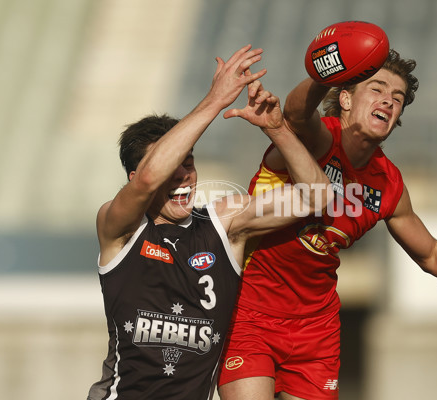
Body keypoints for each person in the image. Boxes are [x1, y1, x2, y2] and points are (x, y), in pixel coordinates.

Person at [218, 49, 437, 400]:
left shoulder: (389, 183)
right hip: (252, 312)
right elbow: (295, 112)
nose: (389, 101)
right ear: (345, 99)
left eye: (397, 98)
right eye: (377, 89)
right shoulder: (319, 138)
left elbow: (432, 254)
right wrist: (329, 71)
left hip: (315, 330)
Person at [86, 44, 332, 400]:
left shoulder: (222, 223)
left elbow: (317, 198)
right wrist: (215, 101)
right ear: (133, 175)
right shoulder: (118, 228)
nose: (183, 175)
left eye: (189, 163)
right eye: (173, 166)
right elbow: (148, 180)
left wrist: (278, 130)